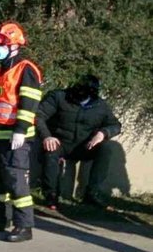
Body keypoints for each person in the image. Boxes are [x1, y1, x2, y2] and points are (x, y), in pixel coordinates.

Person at [0, 21, 43, 242]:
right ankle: (0, 219)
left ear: (14, 45)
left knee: (16, 181)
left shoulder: (26, 69)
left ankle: (24, 227)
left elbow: (29, 102)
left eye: (2, 42)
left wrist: (21, 130)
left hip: (16, 137)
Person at [36, 74, 121, 208]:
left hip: (84, 146)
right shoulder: (58, 97)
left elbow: (115, 125)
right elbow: (39, 115)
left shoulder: (100, 105)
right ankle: (51, 195)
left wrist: (102, 133)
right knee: (50, 151)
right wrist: (46, 136)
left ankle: (93, 192)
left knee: (106, 148)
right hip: (60, 142)